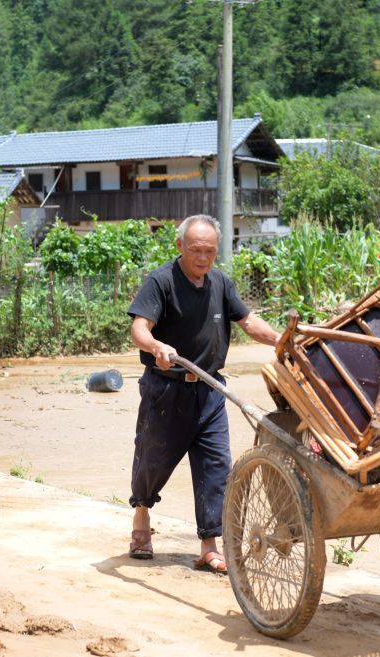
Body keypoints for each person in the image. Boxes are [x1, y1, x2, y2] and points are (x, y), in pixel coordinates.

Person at [127, 214, 280, 573]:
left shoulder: (221, 284)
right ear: (180, 246)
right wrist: (156, 346)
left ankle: (209, 546)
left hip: (210, 391)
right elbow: (139, 327)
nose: (203, 258)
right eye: (196, 250)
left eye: (210, 251)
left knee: (216, 467)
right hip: (166, 391)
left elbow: (247, 321)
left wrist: (279, 338)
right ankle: (141, 518)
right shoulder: (161, 282)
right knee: (153, 460)